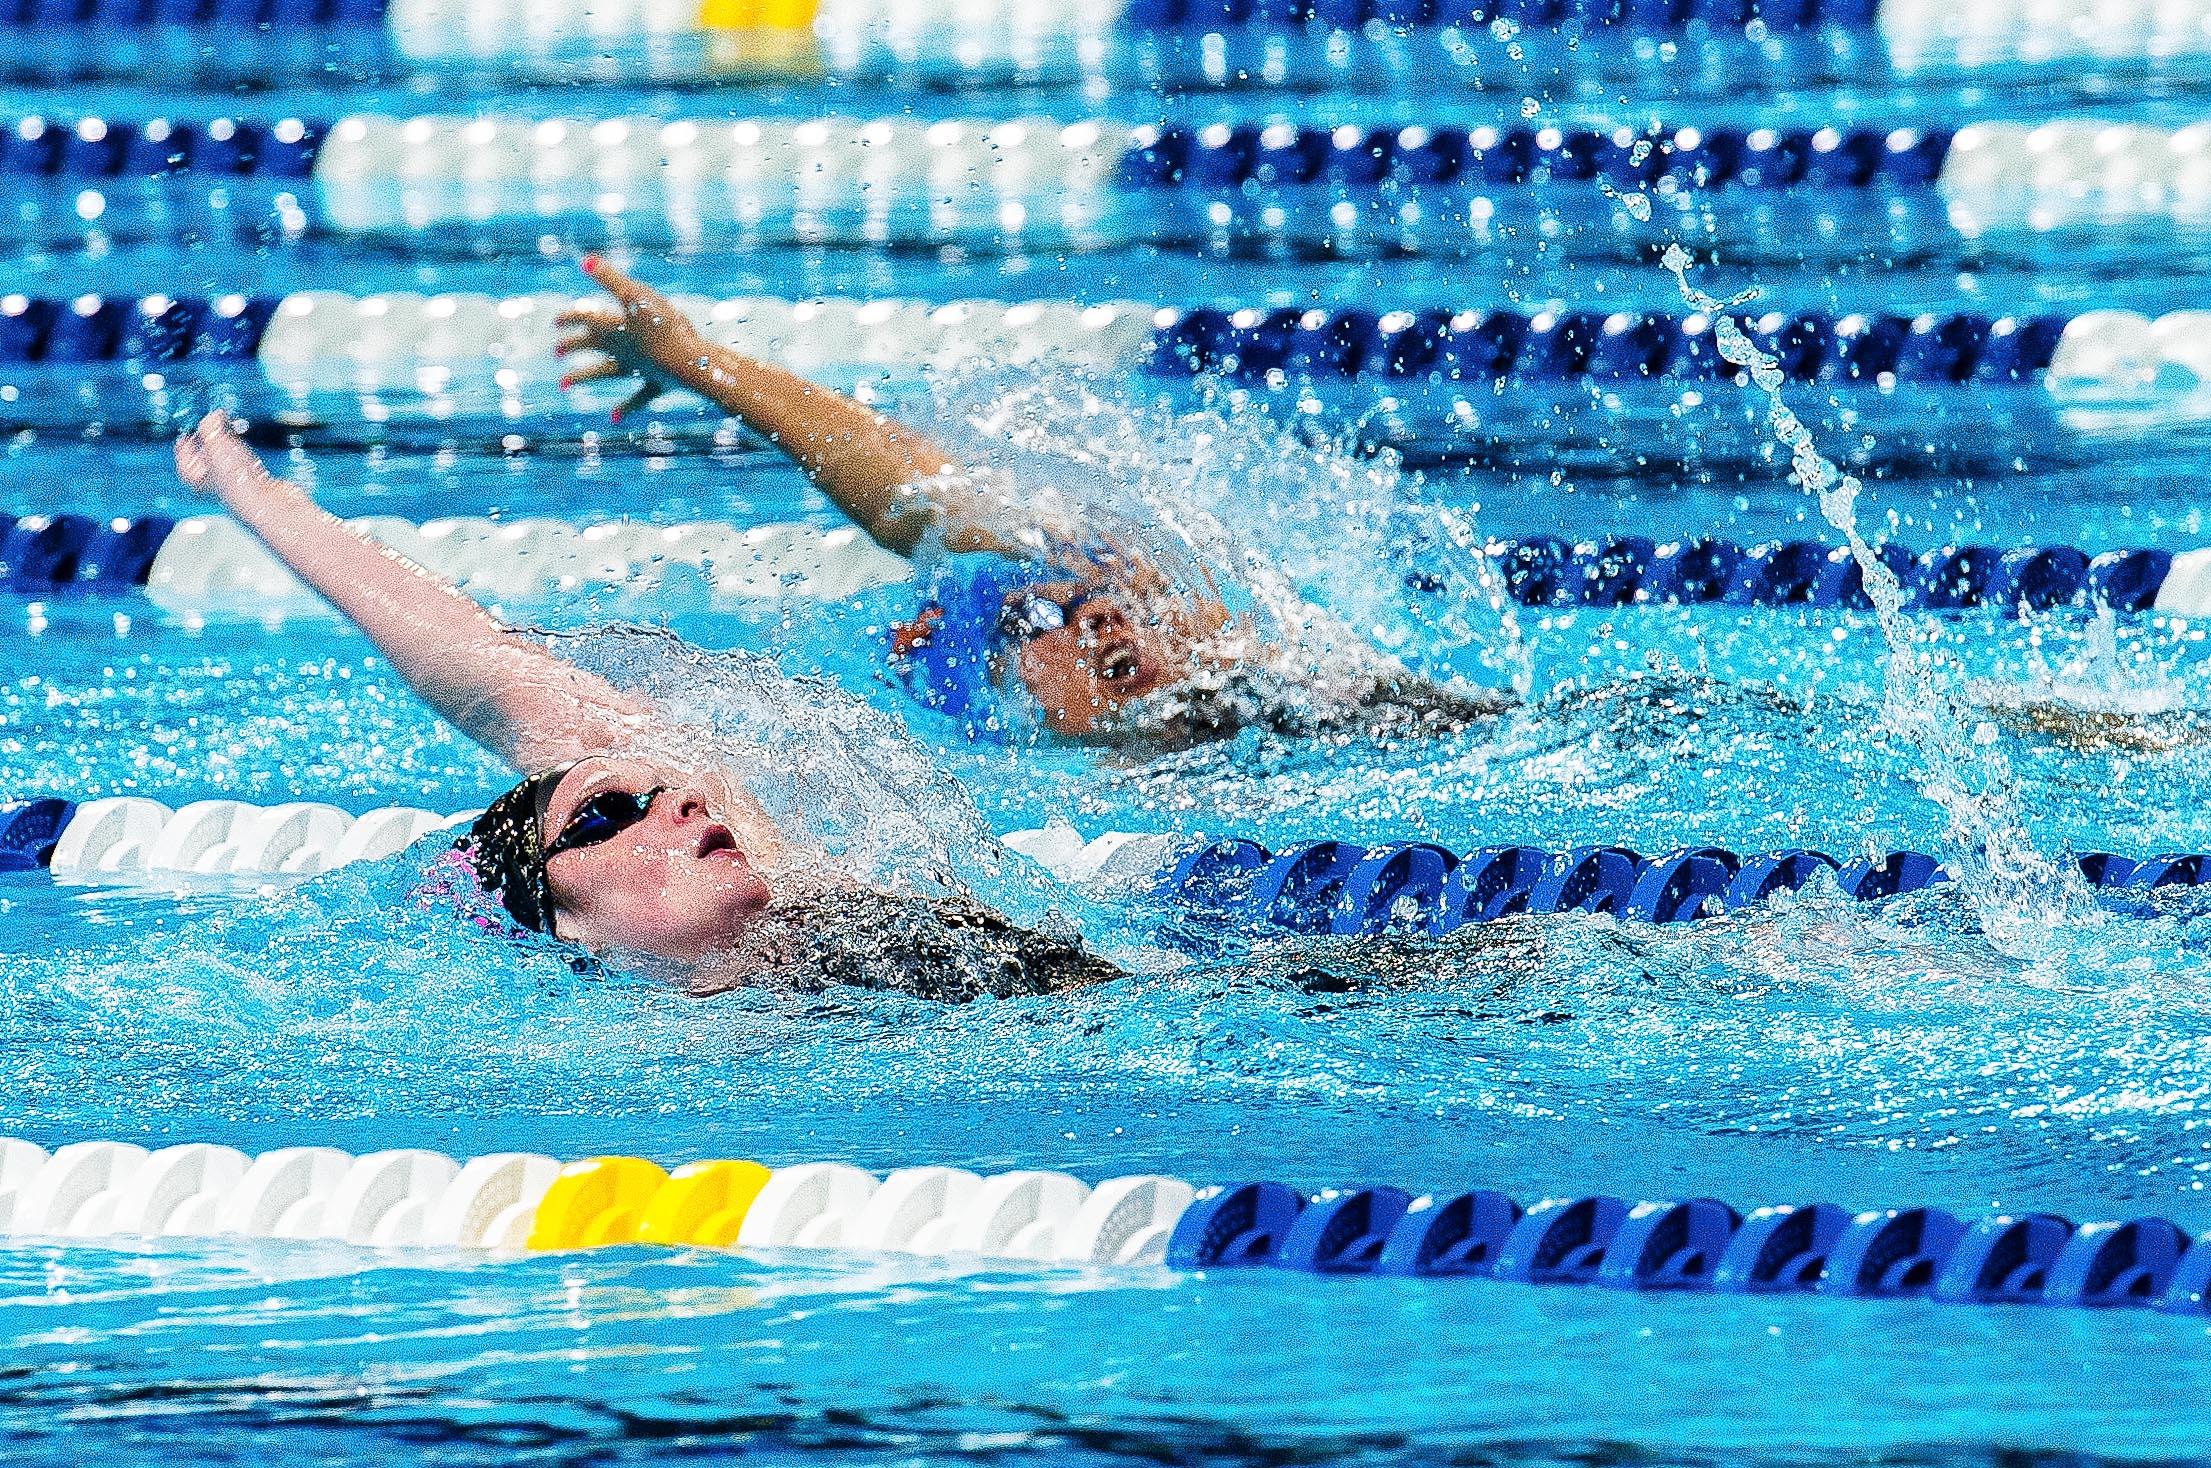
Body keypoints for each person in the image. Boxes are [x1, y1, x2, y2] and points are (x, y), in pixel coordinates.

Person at [170, 410, 1121, 1002]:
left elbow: (475, 661)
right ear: (559, 926)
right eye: (608, 813)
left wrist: (253, 494)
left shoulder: (817, 898)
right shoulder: (587, 1073)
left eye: (658, 789)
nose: (677, 801)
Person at [553, 257, 1509, 750]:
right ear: (1010, 703)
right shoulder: (1118, 824)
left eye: (1089, 586)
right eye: (1032, 620)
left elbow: (909, 489)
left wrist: (699, 364)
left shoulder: (1317, 680)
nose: (1092, 609)